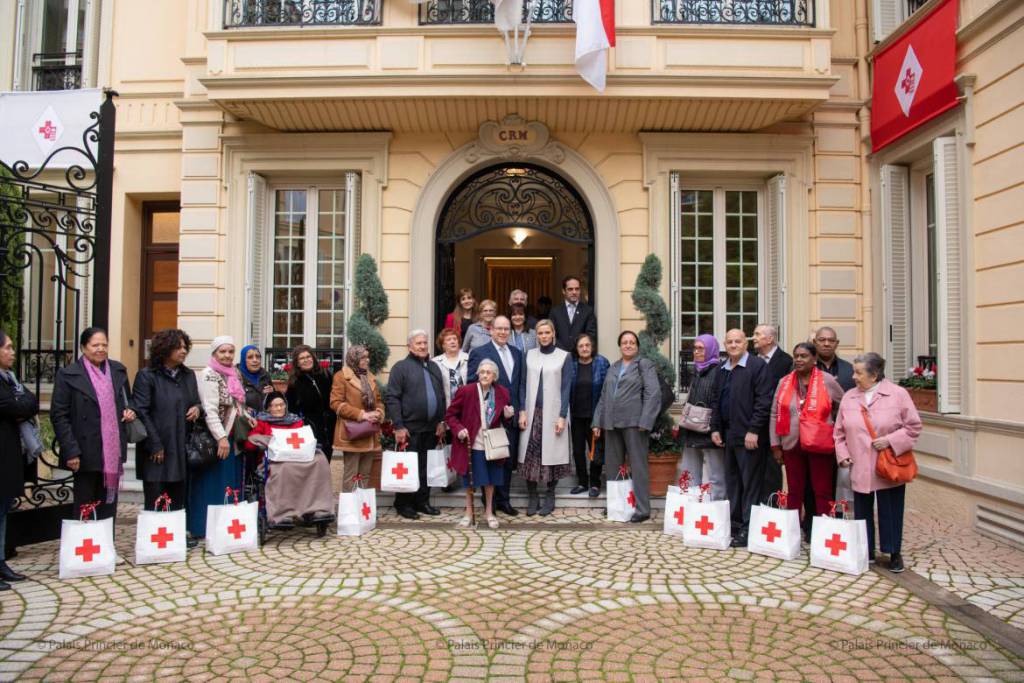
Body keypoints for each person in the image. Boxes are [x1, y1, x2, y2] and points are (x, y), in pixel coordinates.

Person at [834, 352, 922, 573]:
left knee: (890, 508)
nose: (853, 376)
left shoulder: (898, 394)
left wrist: (891, 441)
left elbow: (913, 427)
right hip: (860, 464)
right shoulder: (849, 397)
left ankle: (893, 552)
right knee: (862, 509)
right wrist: (842, 454)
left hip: (888, 464)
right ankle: (866, 549)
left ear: (874, 375)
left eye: (858, 372)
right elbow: (839, 433)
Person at [51, 327, 136, 522]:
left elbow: (128, 401)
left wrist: (130, 410)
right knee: (85, 502)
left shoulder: (118, 370)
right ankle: (84, 548)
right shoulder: (68, 375)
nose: (101, 349)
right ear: (83, 347)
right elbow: (59, 415)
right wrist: (71, 450)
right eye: (95, 345)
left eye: (104, 345)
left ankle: (106, 547)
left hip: (112, 449)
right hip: (84, 449)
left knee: (108, 503)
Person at [133, 329, 202, 532]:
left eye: (184, 347)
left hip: (180, 444)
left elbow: (196, 400)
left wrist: (197, 408)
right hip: (156, 448)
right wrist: (154, 444)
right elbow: (141, 412)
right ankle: (155, 539)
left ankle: (174, 537)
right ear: (165, 349)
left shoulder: (188, 375)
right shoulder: (147, 376)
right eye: (178, 347)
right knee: (156, 495)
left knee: (177, 495)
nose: (183, 351)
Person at [769, 343, 844, 524]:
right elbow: (774, 413)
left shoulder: (827, 380)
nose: (799, 360)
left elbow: (844, 406)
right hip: (791, 443)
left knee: (822, 490)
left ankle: (823, 531)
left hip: (819, 443)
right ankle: (792, 529)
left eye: (804, 356)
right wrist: (775, 445)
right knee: (795, 490)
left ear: (814, 359)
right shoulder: (784, 381)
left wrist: (832, 426)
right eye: (796, 356)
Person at [592, 331, 660, 523]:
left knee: (638, 467)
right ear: (620, 346)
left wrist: (645, 422)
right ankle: (616, 505)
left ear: (637, 346)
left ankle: (642, 508)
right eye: (624, 342)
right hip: (612, 424)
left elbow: (653, 394)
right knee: (614, 467)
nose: (628, 345)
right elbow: (604, 396)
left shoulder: (644, 365)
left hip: (635, 424)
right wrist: (597, 421)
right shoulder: (614, 367)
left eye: (631, 342)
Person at [714, 328, 772, 547]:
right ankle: (735, 524)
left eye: (738, 341)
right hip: (729, 436)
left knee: (750, 484)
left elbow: (764, 401)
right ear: (725, 344)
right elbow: (716, 401)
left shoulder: (757, 367)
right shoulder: (722, 369)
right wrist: (715, 428)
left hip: (749, 437)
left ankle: (749, 528)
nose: (734, 345)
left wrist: (754, 430)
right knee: (733, 482)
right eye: (729, 341)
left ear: (746, 344)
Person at [243, 392, 335, 526]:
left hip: (299, 457)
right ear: (268, 408)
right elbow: (249, 443)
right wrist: (265, 441)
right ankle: (282, 513)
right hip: (275, 460)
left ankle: (319, 508)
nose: (279, 408)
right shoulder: (262, 422)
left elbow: (304, 439)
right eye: (275, 406)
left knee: (320, 461)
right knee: (284, 469)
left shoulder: (295, 421)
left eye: (282, 405)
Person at [189, 335, 247, 539]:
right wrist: (221, 438)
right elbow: (210, 409)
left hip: (232, 436)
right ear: (214, 354)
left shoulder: (234, 374)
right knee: (212, 482)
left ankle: (226, 526)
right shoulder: (209, 374)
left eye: (230, 351)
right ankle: (204, 527)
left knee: (228, 483)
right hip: (216, 439)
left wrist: (248, 417)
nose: (227, 355)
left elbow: (237, 404)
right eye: (222, 351)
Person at [445, 359, 515, 529]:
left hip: (492, 445)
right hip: (471, 443)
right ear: (477, 374)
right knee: (470, 481)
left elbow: (506, 422)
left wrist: (508, 416)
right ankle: (468, 513)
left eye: (488, 372)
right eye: (482, 372)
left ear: (494, 376)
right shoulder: (466, 391)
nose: (484, 375)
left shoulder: (502, 393)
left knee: (490, 481)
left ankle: (489, 512)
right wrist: (459, 429)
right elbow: (450, 416)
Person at [385, 330, 447, 519]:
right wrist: (398, 426)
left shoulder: (434, 367)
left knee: (425, 468)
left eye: (424, 343)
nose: (422, 346)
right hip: (409, 429)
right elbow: (392, 398)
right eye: (418, 343)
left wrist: (442, 421)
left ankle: (422, 502)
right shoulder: (400, 367)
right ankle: (404, 504)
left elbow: (442, 397)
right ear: (409, 346)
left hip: (431, 428)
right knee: (408, 467)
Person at [467, 316, 525, 516]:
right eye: (498, 328)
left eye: (506, 329)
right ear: (490, 330)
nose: (502, 332)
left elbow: (520, 385)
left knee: (506, 460)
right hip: (488, 418)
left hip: (511, 416)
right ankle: (488, 501)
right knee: (488, 460)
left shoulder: (517, 353)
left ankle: (504, 500)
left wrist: (522, 411)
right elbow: (472, 384)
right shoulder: (479, 352)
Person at [518, 320, 574, 516]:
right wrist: (522, 410)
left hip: (553, 414)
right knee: (529, 457)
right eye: (540, 333)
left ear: (553, 333)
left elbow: (566, 388)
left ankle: (550, 495)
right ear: (537, 335)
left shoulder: (563, 356)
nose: (543, 336)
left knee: (553, 456)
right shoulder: (529, 355)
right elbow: (523, 384)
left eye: (547, 332)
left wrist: (562, 416)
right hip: (532, 414)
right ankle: (533, 495)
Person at [0, 329, 38, 589]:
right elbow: (15, 407)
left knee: (2, 512)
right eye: (8, 347)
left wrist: (22, 404)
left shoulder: (10, 379)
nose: (13, 352)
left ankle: (1, 561)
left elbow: (31, 402)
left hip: (8, 455)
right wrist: (20, 405)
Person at [330, 345, 384, 493]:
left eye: (367, 357)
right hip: (352, 434)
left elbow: (378, 400)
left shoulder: (370, 376)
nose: (367, 360)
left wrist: (378, 412)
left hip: (370, 432)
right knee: (351, 475)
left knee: (365, 475)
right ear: (354, 359)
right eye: (363, 357)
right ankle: (349, 512)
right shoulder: (341, 376)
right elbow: (335, 403)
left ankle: (363, 510)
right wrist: (362, 414)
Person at [678, 334, 726, 501]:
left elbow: (718, 401)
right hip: (692, 428)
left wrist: (715, 427)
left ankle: (716, 512)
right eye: (695, 348)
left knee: (716, 476)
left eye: (701, 348)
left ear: (711, 350)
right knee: (690, 474)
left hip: (710, 431)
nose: (696, 352)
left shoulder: (719, 371)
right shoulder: (697, 371)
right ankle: (693, 511)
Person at [753, 324, 793, 501]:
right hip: (754, 423)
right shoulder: (752, 359)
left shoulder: (786, 361)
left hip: (775, 424)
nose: (753, 338)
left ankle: (771, 510)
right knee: (755, 471)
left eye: (757, 334)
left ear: (769, 339)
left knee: (772, 471)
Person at [569, 333, 609, 497]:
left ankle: (595, 483)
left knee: (595, 450)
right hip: (576, 415)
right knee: (578, 451)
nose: (584, 348)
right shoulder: (571, 364)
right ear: (576, 349)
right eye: (581, 346)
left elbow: (607, 392)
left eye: (587, 345)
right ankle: (582, 482)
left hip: (595, 416)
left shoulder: (602, 363)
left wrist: (599, 419)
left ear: (592, 347)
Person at [285, 345, 336, 459]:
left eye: (308, 356)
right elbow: (291, 409)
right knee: (312, 461)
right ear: (297, 363)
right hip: (310, 427)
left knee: (326, 458)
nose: (306, 360)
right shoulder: (294, 382)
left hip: (329, 425)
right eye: (302, 358)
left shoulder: (325, 375)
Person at [550, 276, 597, 352]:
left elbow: (590, 335)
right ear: (563, 291)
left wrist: (579, 350)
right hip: (560, 356)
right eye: (570, 289)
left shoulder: (588, 311)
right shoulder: (555, 312)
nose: (574, 292)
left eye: (577, 289)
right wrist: (563, 352)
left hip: (581, 356)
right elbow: (552, 335)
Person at [431, 328, 469, 406]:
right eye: (448, 339)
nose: (452, 342)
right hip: (446, 405)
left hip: (467, 404)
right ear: (443, 345)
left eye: (455, 339)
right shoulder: (435, 362)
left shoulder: (469, 358)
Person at [814, 326, 855, 392]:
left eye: (831, 340)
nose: (826, 344)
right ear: (815, 342)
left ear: (837, 343)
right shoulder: (805, 369)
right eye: (822, 340)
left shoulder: (850, 369)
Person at [237, 344, 273, 414]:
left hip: (264, 420)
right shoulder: (235, 376)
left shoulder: (265, 375)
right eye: (250, 357)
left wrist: (273, 393)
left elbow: (273, 401)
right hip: (245, 420)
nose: (255, 360)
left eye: (258, 357)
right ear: (243, 359)